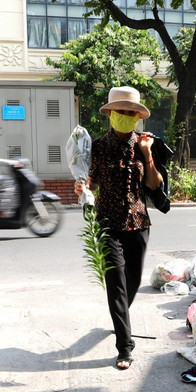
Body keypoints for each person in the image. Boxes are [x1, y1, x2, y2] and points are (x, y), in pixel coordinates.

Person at [75, 86, 163, 370]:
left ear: (137, 116)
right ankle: (124, 347)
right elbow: (91, 180)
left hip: (138, 222)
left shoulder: (146, 143)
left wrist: (147, 154)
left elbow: (153, 184)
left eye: (130, 112)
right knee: (116, 286)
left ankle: (120, 316)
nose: (125, 116)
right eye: (120, 111)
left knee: (133, 283)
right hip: (107, 224)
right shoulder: (98, 147)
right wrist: (83, 186)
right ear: (111, 114)